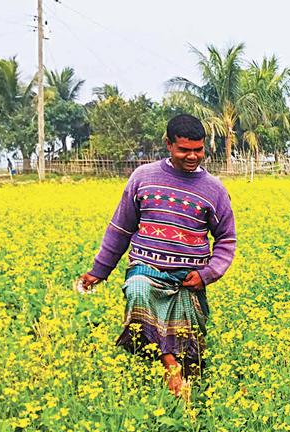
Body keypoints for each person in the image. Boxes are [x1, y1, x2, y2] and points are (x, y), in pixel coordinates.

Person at [78, 114, 236, 397]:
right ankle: (169, 368)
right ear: (168, 144)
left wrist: (207, 274)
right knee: (138, 294)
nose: (192, 156)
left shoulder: (214, 190)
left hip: (186, 279)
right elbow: (120, 228)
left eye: (198, 150)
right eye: (184, 150)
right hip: (145, 268)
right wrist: (98, 271)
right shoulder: (143, 177)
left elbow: (226, 239)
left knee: (191, 349)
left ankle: (189, 402)